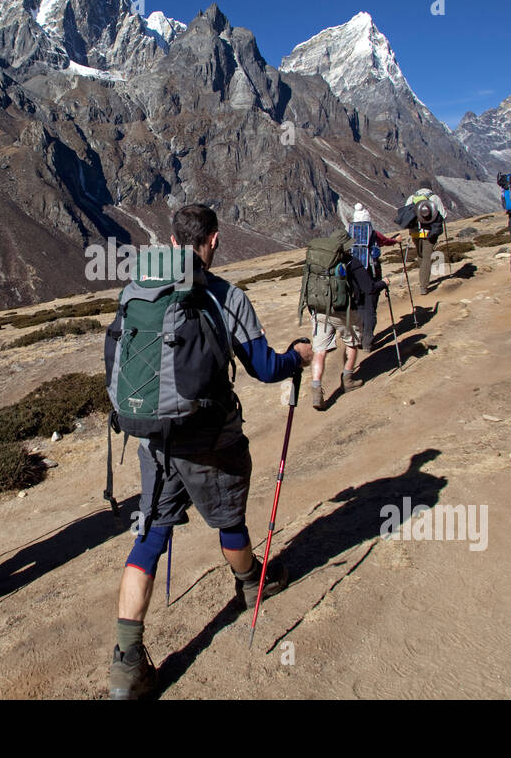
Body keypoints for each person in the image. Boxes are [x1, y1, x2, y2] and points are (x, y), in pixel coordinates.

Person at [108, 204, 314, 699]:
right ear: (214, 241)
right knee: (229, 523)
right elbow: (263, 367)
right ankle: (250, 583)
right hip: (209, 438)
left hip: (154, 438)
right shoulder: (226, 296)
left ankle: (125, 663)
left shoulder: (139, 288)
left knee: (150, 536)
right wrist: (299, 357)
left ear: (173, 241)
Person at [309, 204, 399, 408]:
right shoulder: (353, 262)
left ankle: (316, 389)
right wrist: (384, 282)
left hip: (320, 311)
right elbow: (369, 289)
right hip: (345, 311)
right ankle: (347, 379)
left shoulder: (319, 261)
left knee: (320, 351)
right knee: (351, 342)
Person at [402, 188, 447, 294]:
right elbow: (443, 215)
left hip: (414, 232)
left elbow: (406, 214)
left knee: (420, 254)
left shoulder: (412, 198)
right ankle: (423, 285)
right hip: (429, 232)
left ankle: (423, 278)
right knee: (427, 257)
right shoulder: (434, 198)